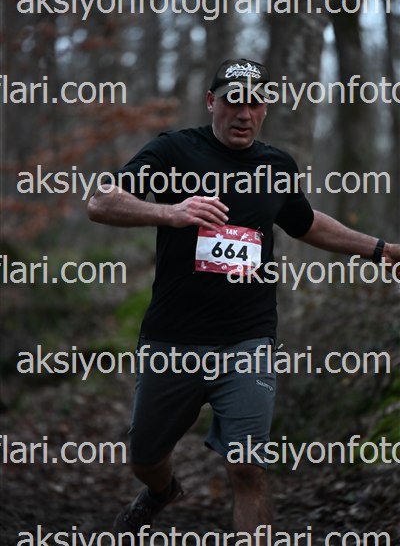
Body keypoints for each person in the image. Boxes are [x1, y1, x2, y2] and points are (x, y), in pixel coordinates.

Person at [88, 58, 400, 538]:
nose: (243, 113)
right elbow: (101, 201)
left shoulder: (277, 166)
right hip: (173, 339)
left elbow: (306, 222)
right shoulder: (174, 151)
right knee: (145, 457)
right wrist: (170, 212)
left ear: (266, 108)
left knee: (248, 468)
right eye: (233, 101)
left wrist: (379, 250)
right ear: (211, 102)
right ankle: (161, 492)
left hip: (247, 340)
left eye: (255, 103)